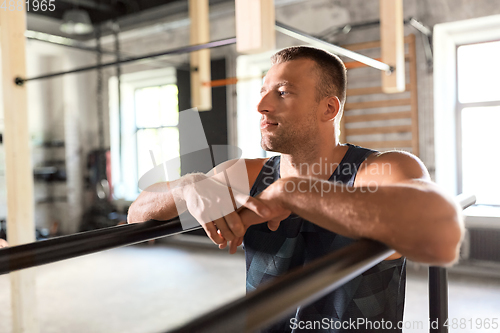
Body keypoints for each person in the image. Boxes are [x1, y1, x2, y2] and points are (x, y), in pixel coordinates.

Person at [128, 46, 463, 332]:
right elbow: (137, 212)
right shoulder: (247, 173)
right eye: (263, 91)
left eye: (283, 92)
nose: (262, 106)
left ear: (328, 108)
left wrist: (293, 192)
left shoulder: (377, 170)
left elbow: (441, 229)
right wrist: (189, 186)